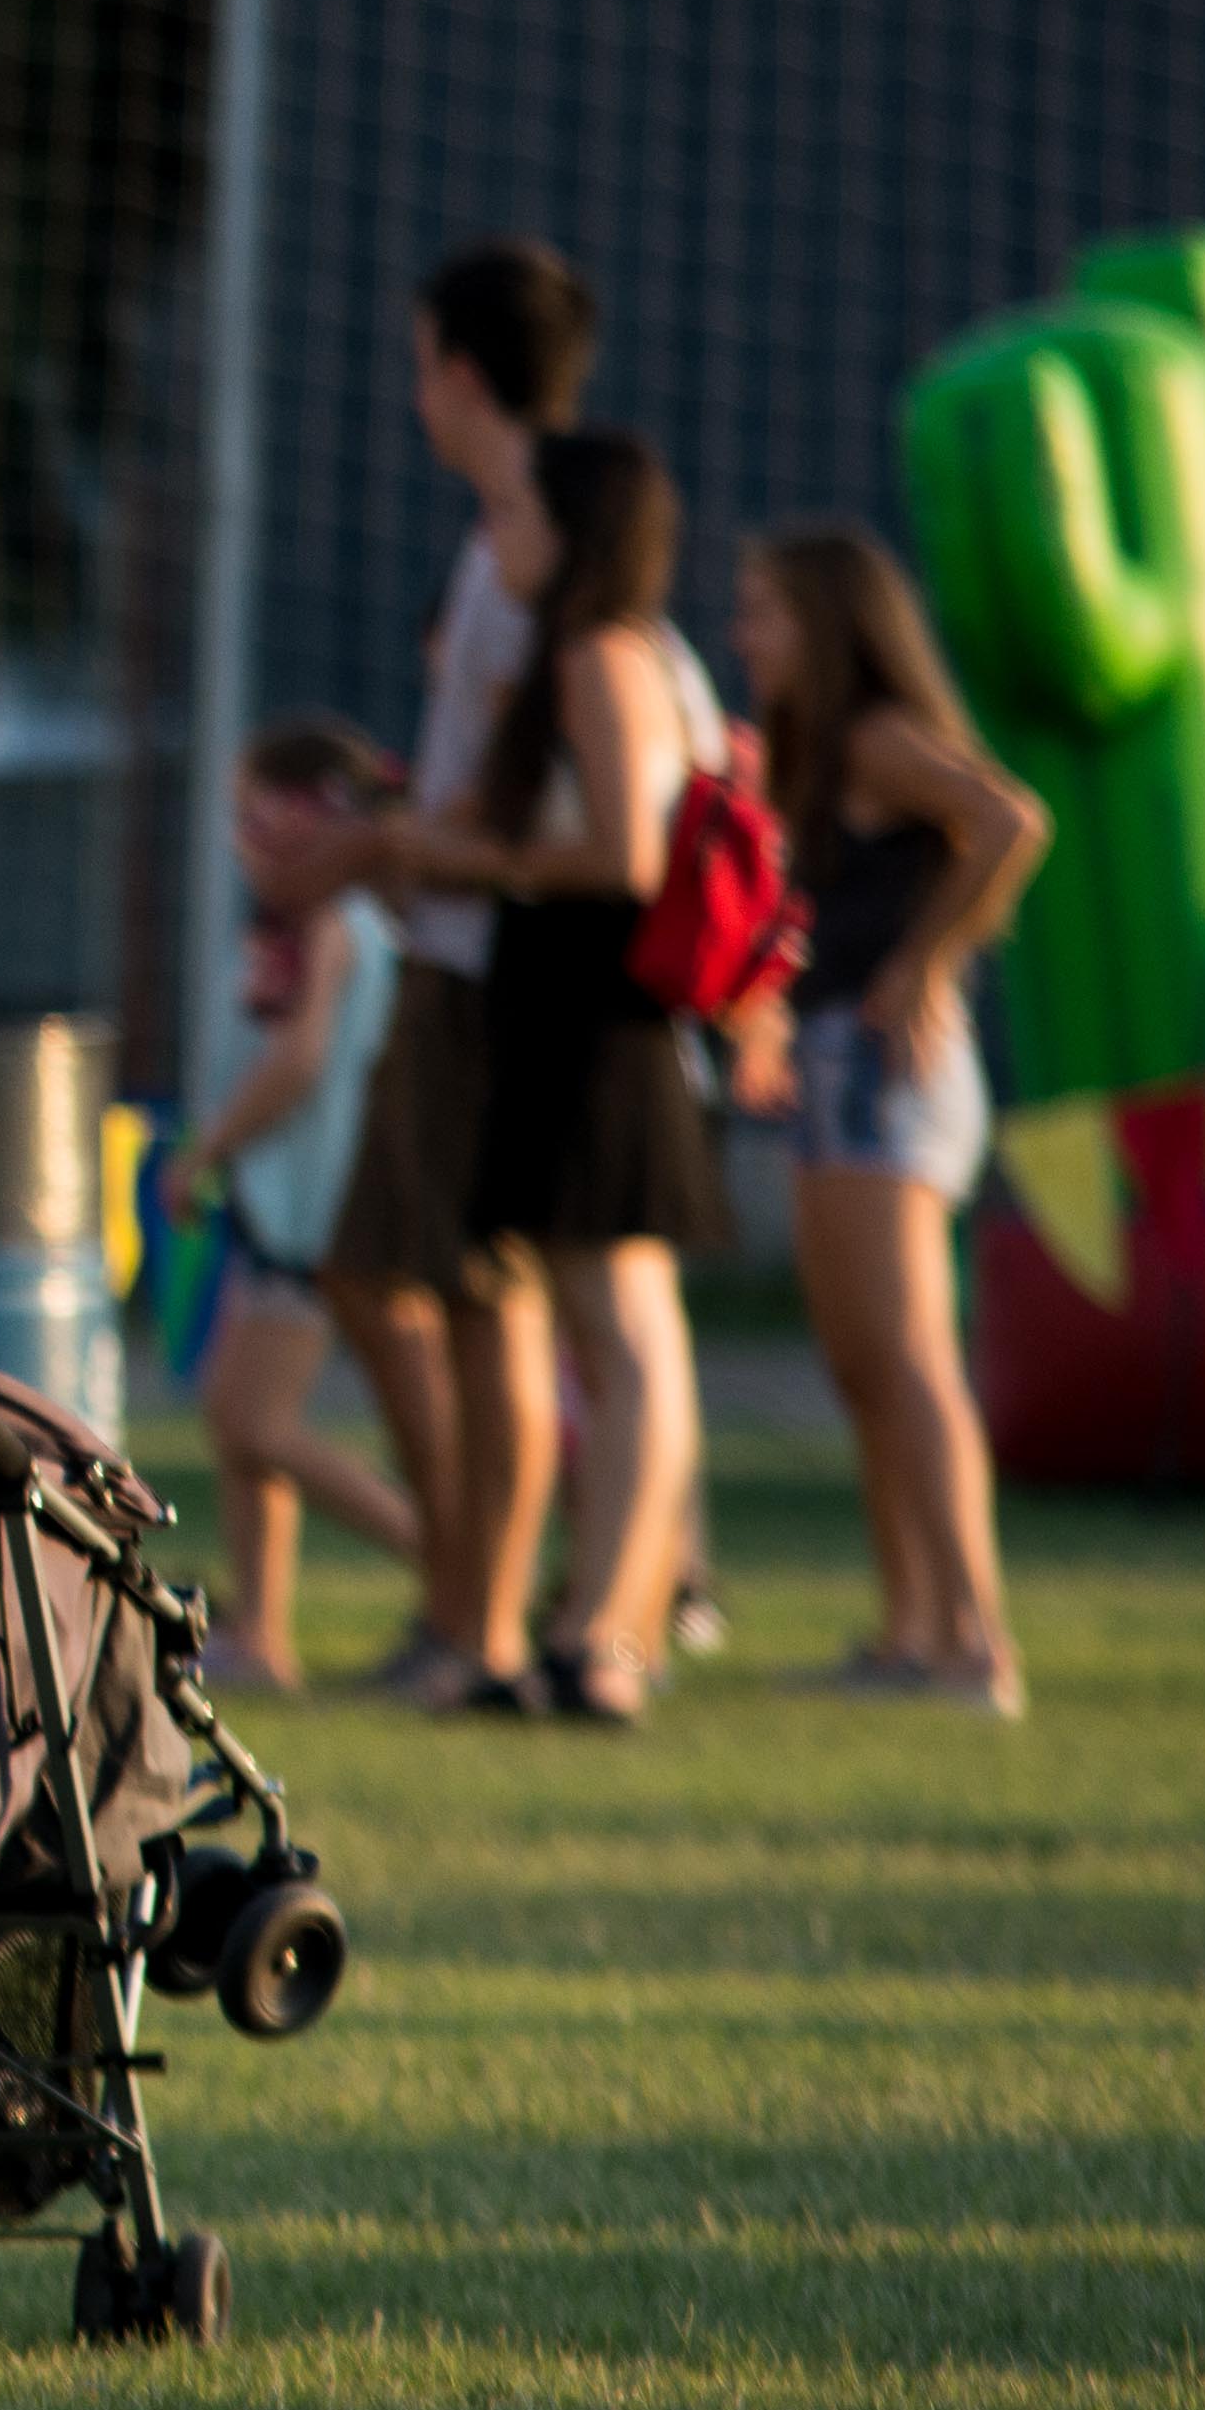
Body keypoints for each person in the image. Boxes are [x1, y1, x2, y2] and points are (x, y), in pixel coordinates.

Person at [259, 239, 589, 1711]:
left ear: (459, 370)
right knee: (400, 1278)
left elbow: (539, 814)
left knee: (482, 1300)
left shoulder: (543, 548)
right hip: (449, 964)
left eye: (417, 363)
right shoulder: (500, 540)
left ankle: (489, 1626)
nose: (413, 394)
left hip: (497, 975)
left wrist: (381, 851)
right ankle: (461, 1608)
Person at [379, 428, 723, 1725]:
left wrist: (485, 865)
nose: (495, 538)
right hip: (574, 1015)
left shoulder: (597, 654)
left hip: (599, 1021)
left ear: (577, 534)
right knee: (613, 1332)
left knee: (623, 1332)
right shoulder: (577, 657)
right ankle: (598, 1630)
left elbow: (627, 858)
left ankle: (605, 1636)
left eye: (519, 517)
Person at [732, 526, 1047, 1714]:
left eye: (763, 611)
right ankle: (910, 1630)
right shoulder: (813, 757)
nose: (744, 634)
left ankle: (976, 1641)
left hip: (889, 1068)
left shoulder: (876, 735)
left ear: (826, 625)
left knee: (910, 1355)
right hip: (832, 1062)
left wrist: (926, 960)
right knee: (864, 1360)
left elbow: (1014, 821)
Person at [174, 717, 434, 1692]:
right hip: (275, 1200)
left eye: (255, 818)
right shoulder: (302, 928)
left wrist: (207, 1148)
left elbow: (301, 1061)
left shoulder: (336, 925)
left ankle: (452, 1559)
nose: (242, 841)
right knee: (239, 1417)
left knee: (250, 1420)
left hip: (308, 1210)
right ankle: (262, 1633)